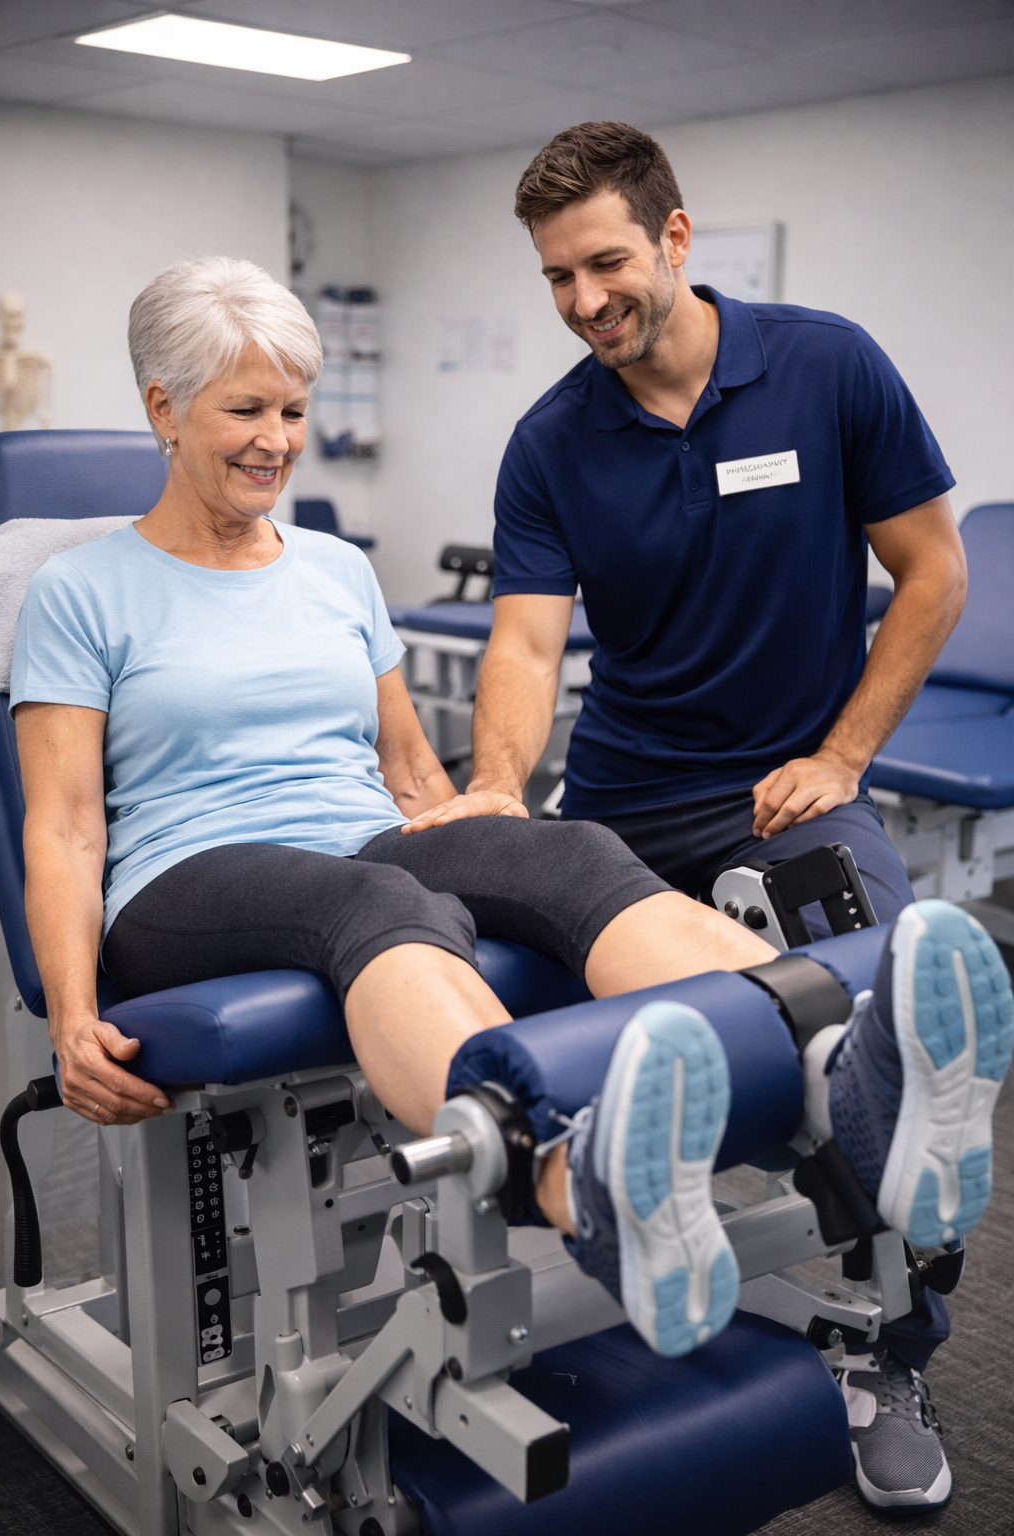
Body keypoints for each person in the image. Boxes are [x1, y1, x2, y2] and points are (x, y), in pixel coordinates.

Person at [10, 261, 1010, 1504]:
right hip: (184, 880)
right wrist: (66, 1011)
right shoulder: (79, 591)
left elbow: (403, 767)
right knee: (381, 906)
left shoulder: (332, 572)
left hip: (357, 840)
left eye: (290, 410)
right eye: (243, 412)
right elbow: (61, 824)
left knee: (570, 849)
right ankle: (569, 1176)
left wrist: (486, 830)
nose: (276, 440)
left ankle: (837, 1081)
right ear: (164, 410)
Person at [400, 123, 979, 1509]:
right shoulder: (551, 441)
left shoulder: (826, 364)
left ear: (674, 236)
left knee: (899, 1024)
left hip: (792, 797)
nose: (585, 300)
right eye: (555, 278)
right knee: (488, 1010)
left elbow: (935, 569)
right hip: (619, 811)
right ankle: (607, 1250)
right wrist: (497, 786)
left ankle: (895, 1347)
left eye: (605, 263)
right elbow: (530, 648)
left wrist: (846, 751)